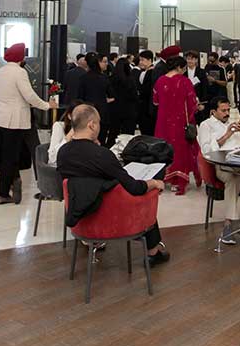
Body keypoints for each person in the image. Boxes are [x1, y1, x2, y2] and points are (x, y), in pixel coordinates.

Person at [56, 104, 169, 265]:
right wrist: (155, 183)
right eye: (99, 123)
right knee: (146, 194)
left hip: (81, 218)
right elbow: (135, 188)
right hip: (111, 218)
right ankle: (153, 251)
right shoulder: (102, 155)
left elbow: (85, 179)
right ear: (92, 125)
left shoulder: (63, 153)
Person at [0, 42, 58, 204]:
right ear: (21, 57)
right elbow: (29, 96)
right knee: (11, 158)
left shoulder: (0, 71)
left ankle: (14, 181)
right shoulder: (20, 72)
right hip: (14, 121)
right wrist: (47, 105)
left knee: (8, 156)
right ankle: (3, 193)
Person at [197, 99, 240, 243]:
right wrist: (227, 135)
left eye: (228, 110)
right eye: (223, 110)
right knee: (233, 178)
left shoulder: (233, 123)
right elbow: (206, 151)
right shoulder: (206, 125)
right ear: (213, 112)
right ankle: (228, 224)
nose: (227, 113)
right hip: (221, 165)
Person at [152, 56, 200, 195]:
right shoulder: (184, 81)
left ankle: (164, 177)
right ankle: (178, 181)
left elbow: (155, 101)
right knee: (179, 148)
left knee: (163, 148)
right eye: (184, 68)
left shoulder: (160, 81)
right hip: (180, 122)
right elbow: (192, 103)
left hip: (163, 121)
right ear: (179, 67)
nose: (184, 71)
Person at [77, 52, 114, 144]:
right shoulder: (104, 78)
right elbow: (111, 94)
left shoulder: (83, 78)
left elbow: (80, 96)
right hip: (102, 111)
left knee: (87, 137)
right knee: (101, 137)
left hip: (87, 111)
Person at [109, 55, 139, 138]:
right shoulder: (130, 80)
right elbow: (134, 96)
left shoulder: (111, 79)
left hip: (115, 109)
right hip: (129, 110)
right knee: (128, 135)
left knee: (113, 133)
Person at [136, 50, 157, 135]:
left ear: (149, 60)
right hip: (146, 108)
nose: (140, 62)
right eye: (140, 60)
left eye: (142, 60)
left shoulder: (151, 72)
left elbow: (146, 91)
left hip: (147, 109)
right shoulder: (145, 71)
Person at [184, 51, 208, 124]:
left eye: (192, 59)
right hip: (186, 103)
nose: (190, 61)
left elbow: (205, 88)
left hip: (198, 102)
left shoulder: (201, 72)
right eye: (188, 59)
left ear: (196, 60)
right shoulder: (183, 72)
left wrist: (203, 103)